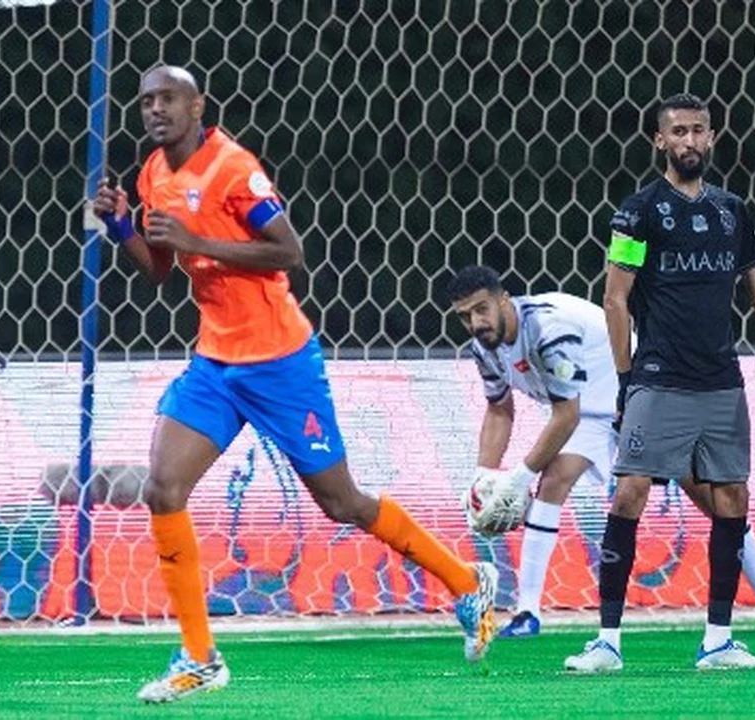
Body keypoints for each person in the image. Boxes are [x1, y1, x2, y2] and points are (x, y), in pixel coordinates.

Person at [91, 65, 499, 704]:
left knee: (342, 502)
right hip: (216, 365)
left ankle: (465, 580)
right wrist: (123, 230)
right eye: (146, 101)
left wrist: (199, 238)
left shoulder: (232, 168)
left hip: (280, 362)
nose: (155, 110)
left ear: (197, 106)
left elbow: (289, 251)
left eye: (168, 98)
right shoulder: (152, 174)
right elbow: (161, 270)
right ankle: (199, 657)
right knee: (163, 488)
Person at [564, 93, 755, 673]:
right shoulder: (638, 212)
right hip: (659, 377)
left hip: (721, 379)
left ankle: (718, 640)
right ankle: (607, 642)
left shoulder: (732, 211)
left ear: (712, 137)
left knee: (733, 499)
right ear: (660, 140)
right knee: (630, 491)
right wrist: (626, 378)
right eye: (678, 131)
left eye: (698, 130)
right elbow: (615, 298)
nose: (690, 140)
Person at [446, 265, 755, 638]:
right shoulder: (485, 348)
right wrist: (482, 478)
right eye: (465, 316)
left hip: (639, 393)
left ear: (503, 300)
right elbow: (499, 409)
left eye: (481, 309)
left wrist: (517, 478)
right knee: (553, 481)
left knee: (711, 497)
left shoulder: (548, 328)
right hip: (587, 409)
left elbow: (564, 416)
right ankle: (527, 613)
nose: (476, 323)